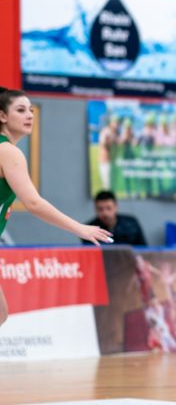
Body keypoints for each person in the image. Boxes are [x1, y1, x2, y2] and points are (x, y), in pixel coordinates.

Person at [0, 87, 112, 327]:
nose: (29, 115)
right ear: (2, 116)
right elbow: (33, 203)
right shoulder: (9, 152)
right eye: (20, 110)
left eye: (31, 109)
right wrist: (80, 228)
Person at [83, 190, 147, 246]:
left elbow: (143, 249)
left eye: (109, 208)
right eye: (100, 209)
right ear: (95, 209)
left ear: (116, 207)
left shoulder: (131, 224)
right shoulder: (90, 229)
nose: (105, 213)